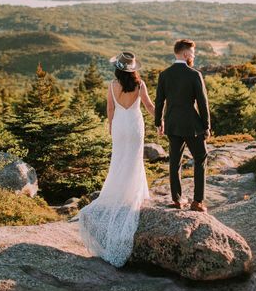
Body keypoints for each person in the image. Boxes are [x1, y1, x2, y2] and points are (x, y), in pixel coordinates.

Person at [78, 51, 154, 267]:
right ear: (133, 69)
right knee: (134, 160)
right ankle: (133, 195)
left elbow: (110, 109)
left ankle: (118, 194)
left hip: (120, 125)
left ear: (118, 69)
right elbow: (148, 106)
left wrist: (111, 126)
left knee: (119, 160)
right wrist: (160, 119)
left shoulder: (112, 85)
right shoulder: (140, 85)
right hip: (135, 125)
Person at [155, 39, 211, 213]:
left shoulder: (164, 75)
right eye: (193, 53)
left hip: (172, 124)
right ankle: (197, 202)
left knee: (174, 162)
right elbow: (203, 103)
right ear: (186, 54)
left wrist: (159, 122)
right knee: (201, 158)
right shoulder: (194, 75)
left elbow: (159, 101)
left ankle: (177, 200)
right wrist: (207, 125)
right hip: (192, 126)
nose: (193, 56)